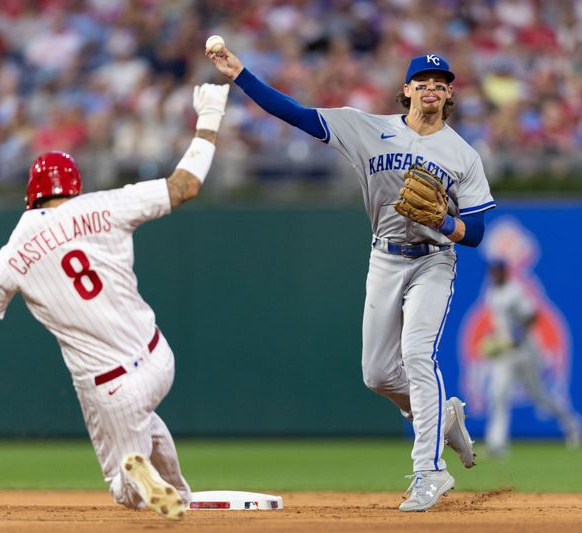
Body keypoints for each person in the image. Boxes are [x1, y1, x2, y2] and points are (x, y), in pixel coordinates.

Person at [0, 83, 231, 521]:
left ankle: (139, 478)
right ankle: (180, 493)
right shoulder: (106, 206)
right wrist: (209, 116)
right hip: (158, 357)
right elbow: (185, 186)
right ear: (74, 186)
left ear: (31, 192)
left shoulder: (15, 252)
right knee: (145, 424)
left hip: (111, 386)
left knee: (124, 489)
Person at [207, 45, 494, 511]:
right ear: (406, 90)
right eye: (422, 80)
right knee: (377, 374)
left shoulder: (462, 154)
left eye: (440, 83)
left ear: (449, 95)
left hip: (433, 260)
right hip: (385, 257)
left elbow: (477, 232)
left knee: (418, 355)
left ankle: (430, 471)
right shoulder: (367, 128)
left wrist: (444, 223)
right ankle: (444, 417)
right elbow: (296, 115)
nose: (431, 88)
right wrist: (240, 73)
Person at [480, 260, 582, 457]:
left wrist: (517, 335)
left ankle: (571, 422)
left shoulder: (515, 291)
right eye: (491, 271)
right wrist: (495, 339)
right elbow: (499, 323)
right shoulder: (491, 293)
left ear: (504, 272)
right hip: (506, 353)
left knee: (540, 396)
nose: (493, 275)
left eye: (496, 271)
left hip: (526, 351)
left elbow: (532, 315)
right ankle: (497, 445)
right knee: (498, 395)